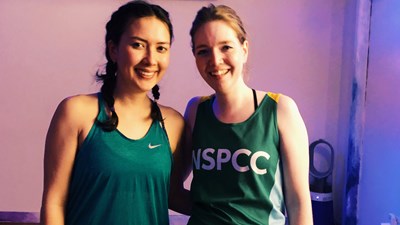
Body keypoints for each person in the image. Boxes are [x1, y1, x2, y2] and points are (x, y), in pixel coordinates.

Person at [40, 1, 185, 225]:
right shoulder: (75, 112)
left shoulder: (174, 123)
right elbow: (54, 202)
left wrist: (245, 200)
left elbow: (174, 196)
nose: (151, 59)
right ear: (113, 49)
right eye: (138, 45)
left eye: (161, 48)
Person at [181, 4, 313, 225]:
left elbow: (298, 204)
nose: (215, 60)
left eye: (226, 47)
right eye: (203, 51)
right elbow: (171, 187)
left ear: (244, 49)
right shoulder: (196, 110)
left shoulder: (280, 109)